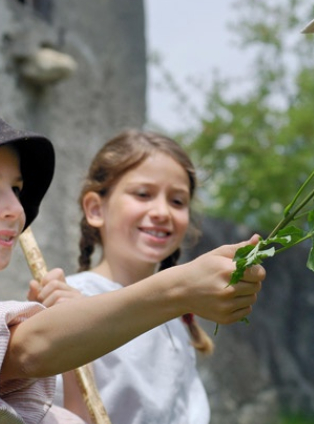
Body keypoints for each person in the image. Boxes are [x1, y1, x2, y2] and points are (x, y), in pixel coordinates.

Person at [0, 93, 265, 423]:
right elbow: (30, 350)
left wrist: (73, 366)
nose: (15, 208)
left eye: (16, 188)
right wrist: (178, 288)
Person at [33, 130, 220, 424]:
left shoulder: (174, 316)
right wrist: (74, 333)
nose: (162, 212)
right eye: (143, 194)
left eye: (178, 201)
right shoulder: (67, 302)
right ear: (96, 208)